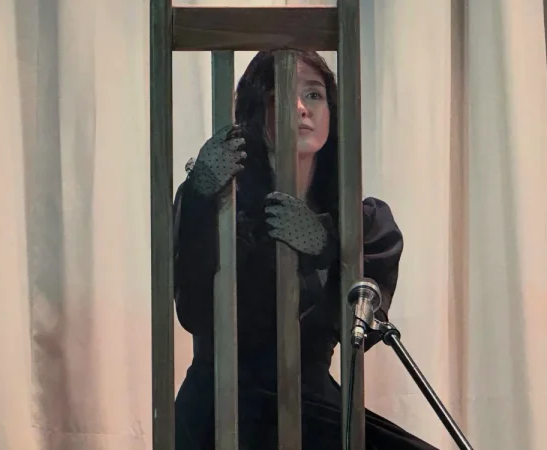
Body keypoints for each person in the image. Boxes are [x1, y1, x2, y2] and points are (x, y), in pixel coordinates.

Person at [173, 50, 438, 450]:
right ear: (254, 113)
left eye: (313, 94)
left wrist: (329, 245)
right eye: (279, 96)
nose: (300, 108)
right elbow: (193, 312)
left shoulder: (363, 222)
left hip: (310, 403)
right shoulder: (222, 208)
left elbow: (360, 330)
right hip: (222, 406)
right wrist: (199, 197)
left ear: (332, 111)